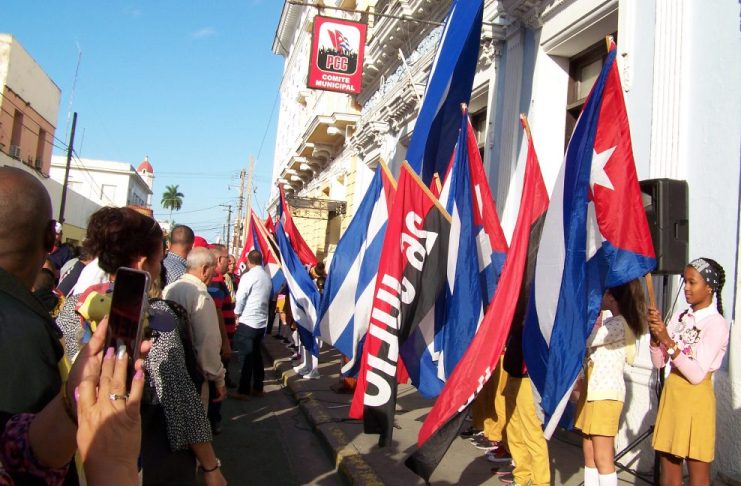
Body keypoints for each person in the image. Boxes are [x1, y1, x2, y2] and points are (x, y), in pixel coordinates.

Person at [56, 207, 225, 485]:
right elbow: (179, 397)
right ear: (144, 264)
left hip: (72, 452)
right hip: (133, 456)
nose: (161, 268)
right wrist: (210, 466)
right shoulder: (155, 319)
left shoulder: (72, 309)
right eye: (160, 260)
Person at [648, 258, 729, 486]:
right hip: (673, 397)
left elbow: (696, 375)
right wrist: (656, 340)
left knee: (698, 477)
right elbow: (659, 363)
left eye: (692, 283)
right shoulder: (680, 317)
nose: (686, 287)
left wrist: (668, 341)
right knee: (669, 475)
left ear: (709, 287)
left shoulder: (716, 325)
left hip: (696, 401)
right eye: (685, 281)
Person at [575, 279, 646, 486]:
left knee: (603, 456)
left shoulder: (620, 324)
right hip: (594, 392)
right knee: (589, 450)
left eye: (605, 293)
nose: (602, 297)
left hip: (606, 395)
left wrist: (591, 311)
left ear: (613, 298)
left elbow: (588, 339)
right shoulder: (612, 322)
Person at [163, 247, 227, 410]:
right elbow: (207, 342)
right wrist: (219, 379)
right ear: (205, 269)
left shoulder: (170, 289)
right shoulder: (201, 296)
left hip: (169, 372)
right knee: (194, 429)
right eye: (213, 270)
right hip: (193, 375)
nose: (214, 276)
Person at [231, 250, 272, 400]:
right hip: (261, 322)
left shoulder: (248, 276)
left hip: (248, 321)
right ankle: (258, 387)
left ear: (248, 262)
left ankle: (243, 390)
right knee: (256, 355)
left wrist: (237, 312)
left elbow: (241, 296)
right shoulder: (267, 277)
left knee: (245, 357)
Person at [205, 244, 234, 433]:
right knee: (216, 384)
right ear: (217, 260)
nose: (229, 262)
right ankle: (211, 421)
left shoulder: (220, 280)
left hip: (222, 343)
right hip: (218, 345)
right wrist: (225, 343)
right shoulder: (214, 283)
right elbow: (217, 314)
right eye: (226, 259)